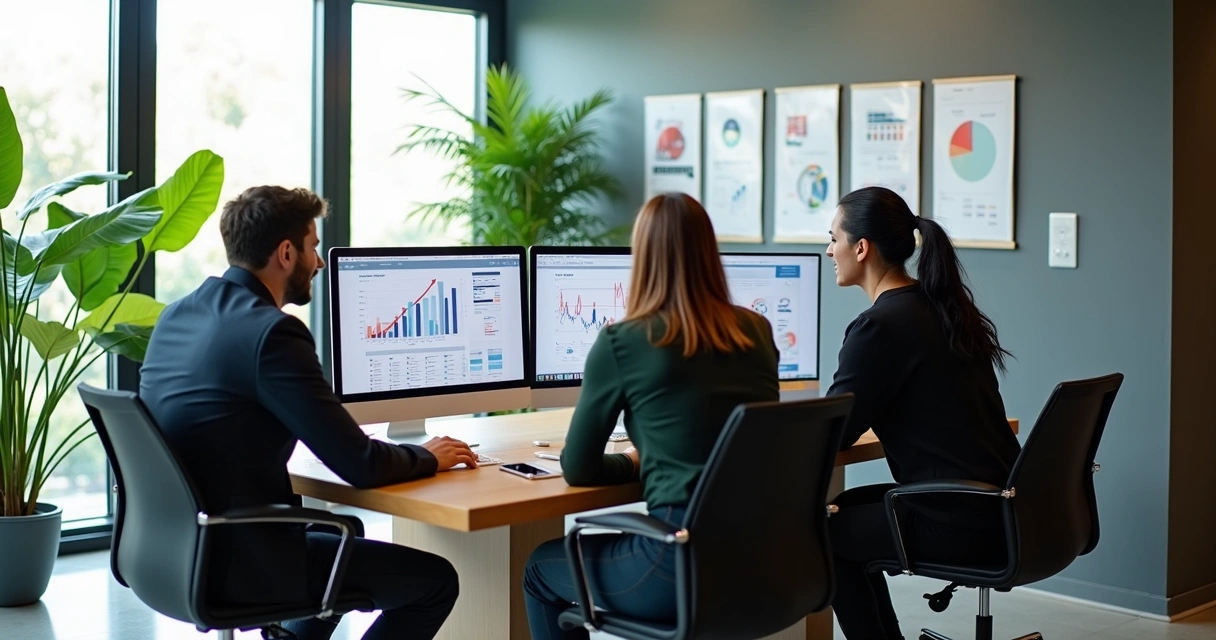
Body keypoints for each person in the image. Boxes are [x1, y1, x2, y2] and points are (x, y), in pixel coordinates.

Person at [140, 186, 477, 640]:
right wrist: (429, 455)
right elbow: (360, 464)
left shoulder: (178, 314)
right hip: (238, 565)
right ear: (285, 253)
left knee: (346, 533)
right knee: (436, 582)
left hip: (168, 553)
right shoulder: (273, 334)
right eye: (313, 246)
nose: (318, 262)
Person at [521, 193, 780, 638]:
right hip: (764, 559)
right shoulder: (755, 330)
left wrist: (632, 462)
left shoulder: (624, 340)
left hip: (674, 563)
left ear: (642, 256)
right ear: (709, 252)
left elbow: (577, 468)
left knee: (540, 568)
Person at [823, 186, 1022, 639]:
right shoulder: (941, 306)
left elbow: (837, 432)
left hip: (958, 519)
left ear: (861, 247)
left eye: (833, 237)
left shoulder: (879, 325)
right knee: (837, 511)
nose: (829, 249)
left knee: (824, 533)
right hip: (1000, 505)